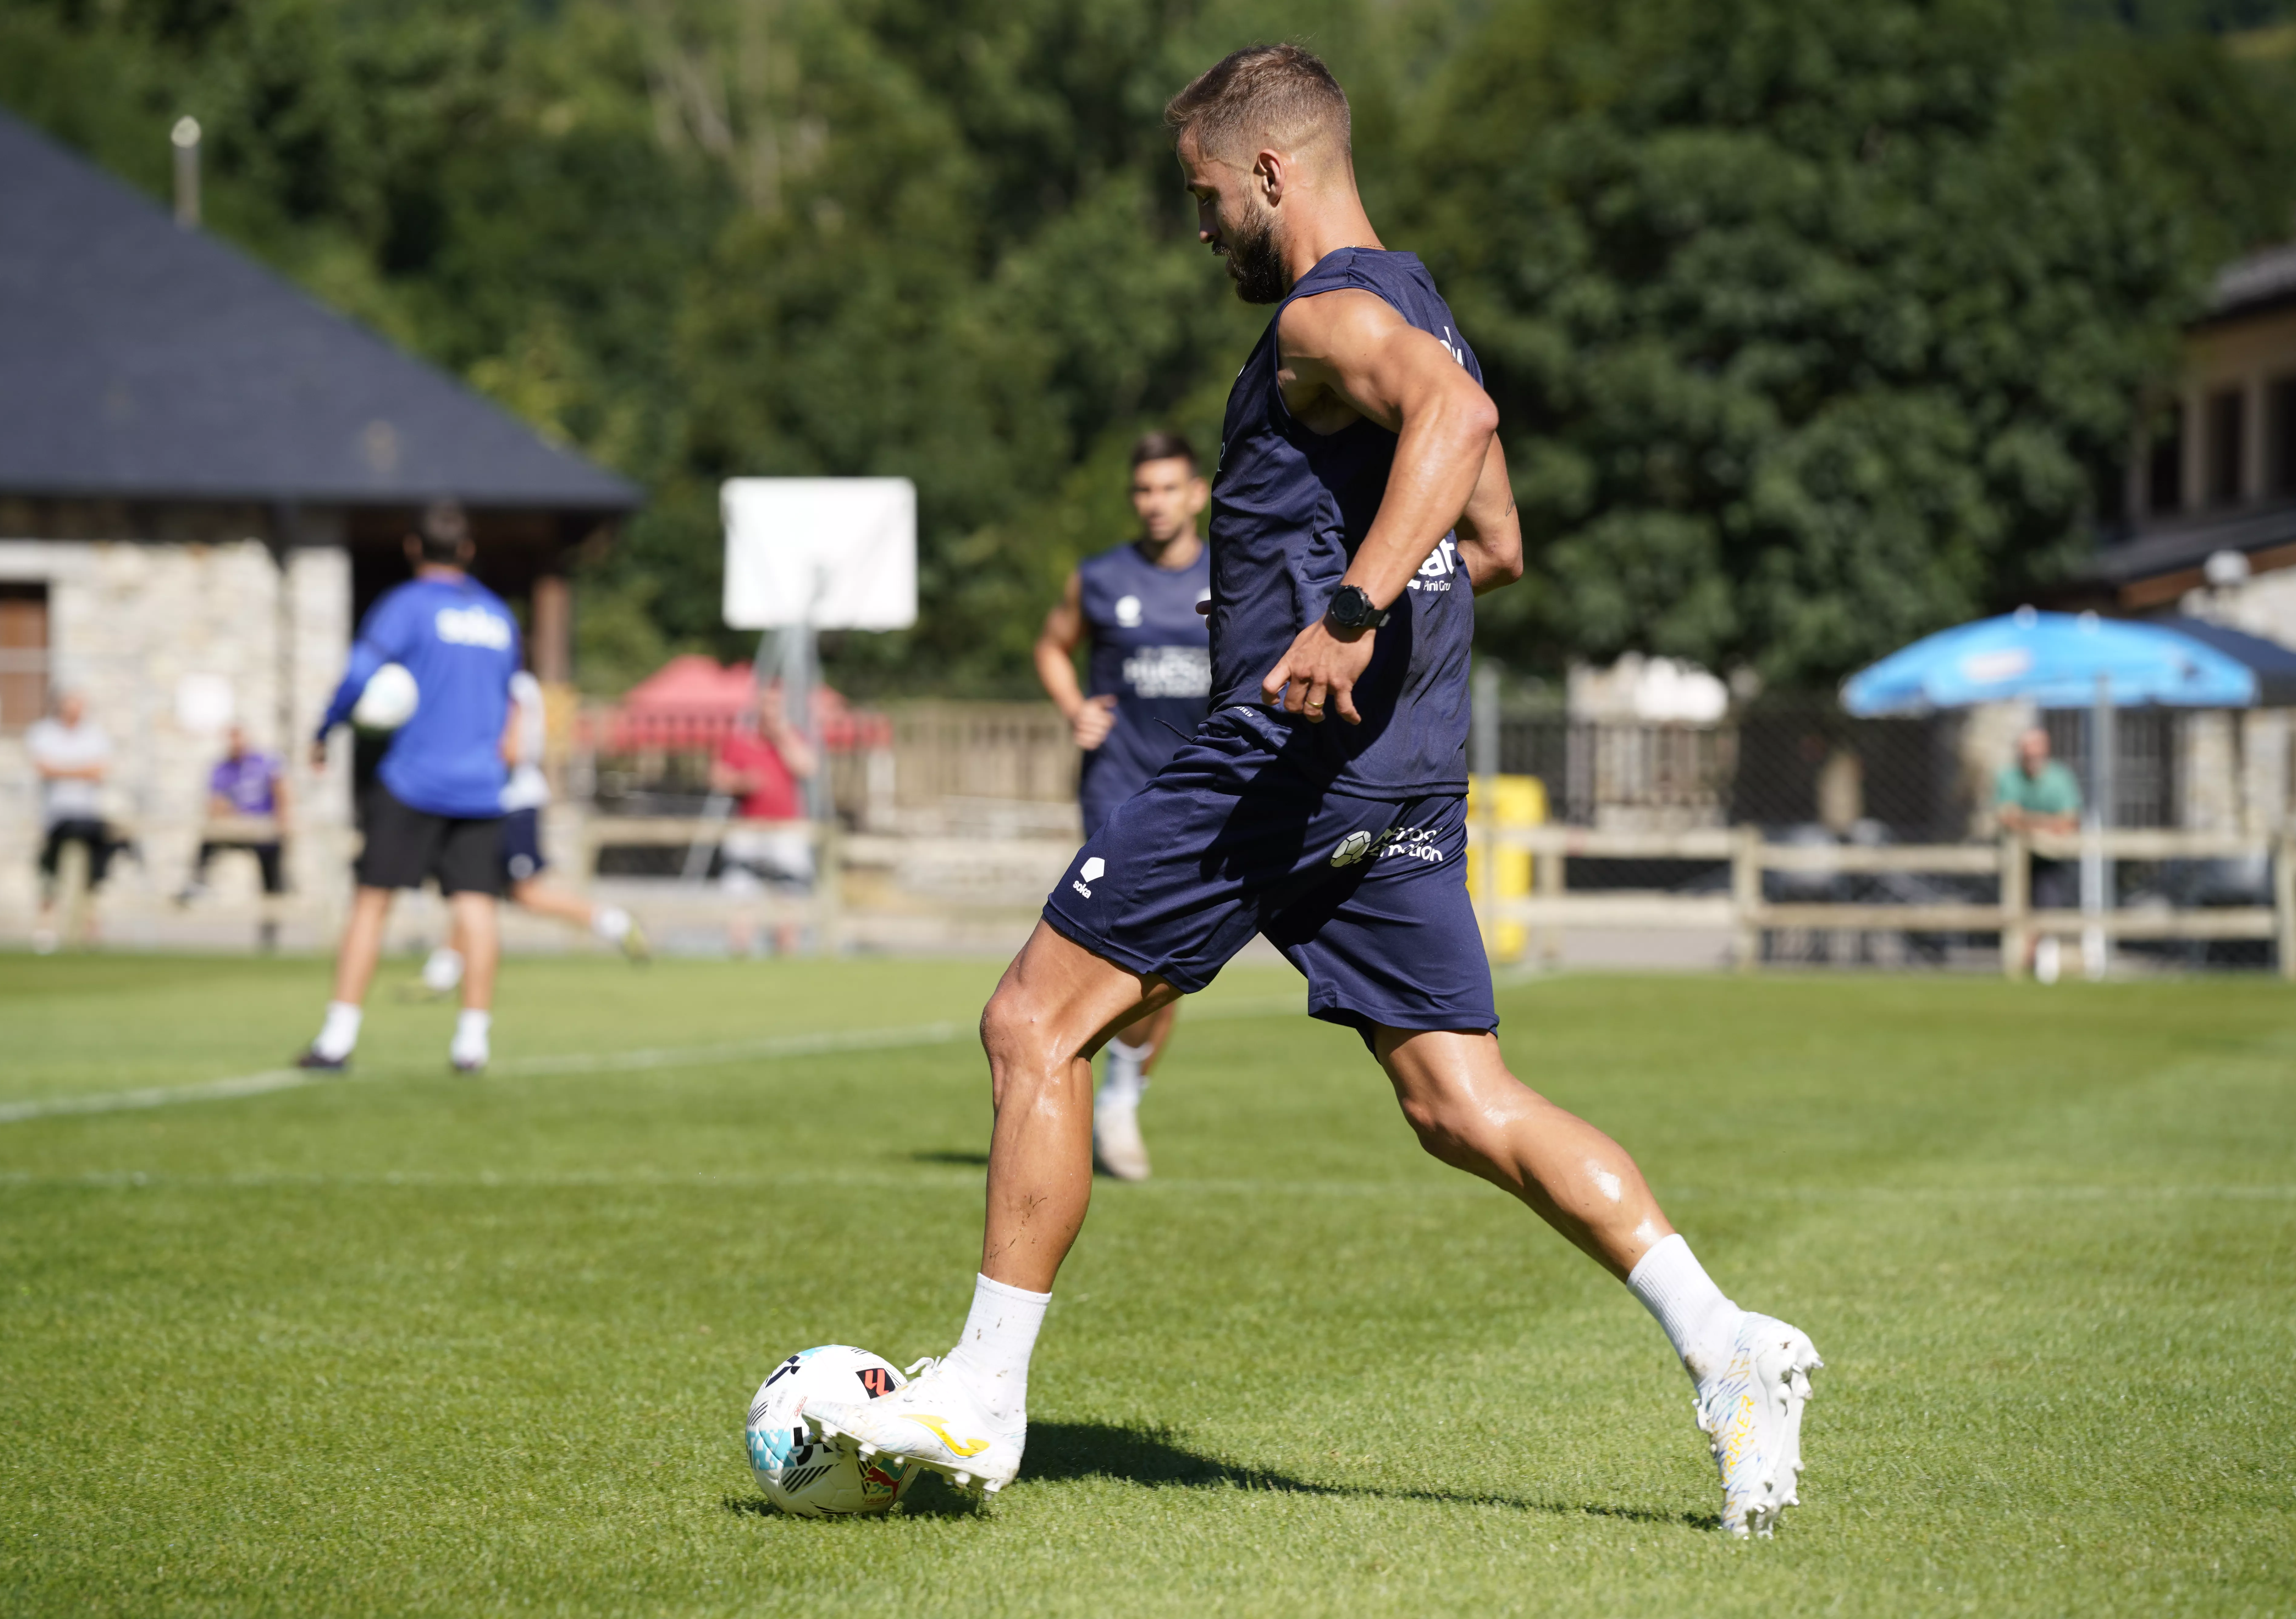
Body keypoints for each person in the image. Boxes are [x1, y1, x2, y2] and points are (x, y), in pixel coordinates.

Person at [800, 46, 1821, 1540]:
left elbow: (1457, 430)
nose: (1203, 228)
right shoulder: (1418, 302)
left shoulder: (1322, 311)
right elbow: (1500, 528)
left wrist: (1342, 615)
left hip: (1284, 751)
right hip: (1400, 765)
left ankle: (980, 1396)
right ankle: (1730, 1342)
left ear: (1271, 173)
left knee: (1032, 1020)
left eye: (1207, 199)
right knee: (1459, 1101)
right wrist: (1397, 588)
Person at [1032, 430, 1214, 1180]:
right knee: (1111, 946)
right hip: (1116, 787)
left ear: (1198, 493)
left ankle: (1120, 1093)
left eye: (1170, 487)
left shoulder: (1237, 573)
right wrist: (1075, 705)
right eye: (1144, 489)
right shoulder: (1101, 578)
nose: (1157, 502)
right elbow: (1051, 644)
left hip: (1205, 790)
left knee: (1169, 963)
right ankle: (1084, 1091)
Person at [296, 501, 519, 1074]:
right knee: (476, 909)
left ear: (413, 548)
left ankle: (337, 1039)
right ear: (468, 551)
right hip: (481, 784)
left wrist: (326, 729)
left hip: (414, 780)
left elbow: (356, 674)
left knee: (372, 904)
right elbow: (514, 701)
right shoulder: (499, 617)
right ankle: (473, 1044)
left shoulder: (407, 606)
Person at [418, 669, 648, 995]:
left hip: (511, 804)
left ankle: (616, 922)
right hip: (494, 802)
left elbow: (511, 751)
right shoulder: (508, 681)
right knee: (473, 889)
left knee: (525, 894)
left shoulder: (510, 684)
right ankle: (442, 972)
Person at [710, 680, 819, 956]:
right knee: (742, 898)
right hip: (749, 828)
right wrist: (742, 783)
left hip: (786, 830)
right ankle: (740, 953)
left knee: (789, 898)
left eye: (777, 705)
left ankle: (786, 954)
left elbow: (807, 768)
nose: (771, 712)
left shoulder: (792, 738)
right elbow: (718, 778)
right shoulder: (739, 741)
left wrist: (782, 737)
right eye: (767, 705)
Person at [178, 723, 291, 948]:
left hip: (264, 830)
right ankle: (198, 883)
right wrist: (231, 813)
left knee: (272, 879)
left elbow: (281, 790)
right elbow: (215, 805)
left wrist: (283, 822)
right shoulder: (222, 768)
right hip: (236, 827)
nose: (236, 744)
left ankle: (270, 933)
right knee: (208, 840)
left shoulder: (265, 762)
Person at [27, 690, 116, 953]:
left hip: (87, 814)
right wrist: (80, 770)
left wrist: (63, 769)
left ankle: (92, 927)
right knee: (50, 872)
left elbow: (99, 772)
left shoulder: (95, 736)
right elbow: (45, 769)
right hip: (56, 817)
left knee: (96, 870)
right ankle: (45, 928)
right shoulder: (43, 733)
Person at [1994, 724, 2081, 983]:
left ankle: (2037, 959)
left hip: (2050, 858)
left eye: (2036, 751)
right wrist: (2047, 824)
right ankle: (2020, 958)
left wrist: (2028, 823)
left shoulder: (2060, 778)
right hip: (2012, 860)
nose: (2032, 757)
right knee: (2012, 908)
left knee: (2047, 905)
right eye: (2026, 751)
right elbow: (2006, 817)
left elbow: (2068, 822)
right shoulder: (2008, 777)